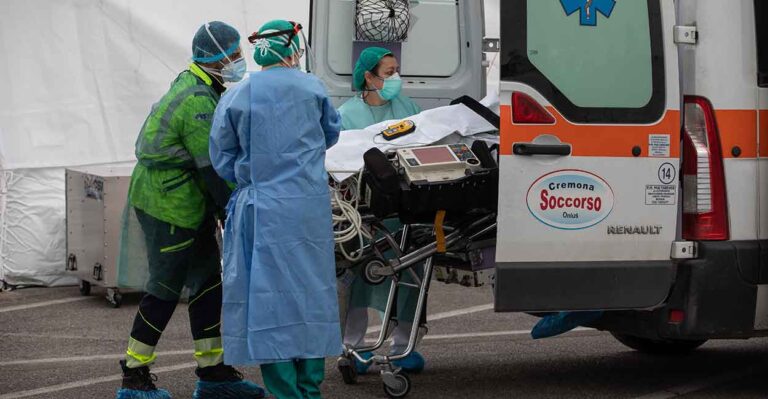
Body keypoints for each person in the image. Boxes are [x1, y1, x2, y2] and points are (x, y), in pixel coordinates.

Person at [116, 21, 264, 399]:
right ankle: (134, 374)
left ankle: (213, 373)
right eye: (232, 56)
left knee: (207, 283)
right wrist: (235, 208)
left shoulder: (203, 85)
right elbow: (213, 167)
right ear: (214, 58)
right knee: (165, 287)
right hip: (168, 205)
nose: (237, 62)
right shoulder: (197, 100)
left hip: (186, 203)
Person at [209, 19, 342, 399]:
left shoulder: (238, 94)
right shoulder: (313, 88)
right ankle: (309, 388)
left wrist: (254, 176)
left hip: (262, 210)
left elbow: (222, 156)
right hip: (307, 209)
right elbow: (330, 134)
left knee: (268, 301)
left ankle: (284, 391)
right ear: (292, 48)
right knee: (310, 295)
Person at [337, 47, 426, 374]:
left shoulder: (409, 109)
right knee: (359, 276)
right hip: (363, 212)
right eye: (388, 73)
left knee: (411, 275)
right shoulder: (346, 116)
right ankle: (354, 346)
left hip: (404, 210)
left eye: (396, 70)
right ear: (368, 77)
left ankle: (404, 346)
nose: (396, 78)